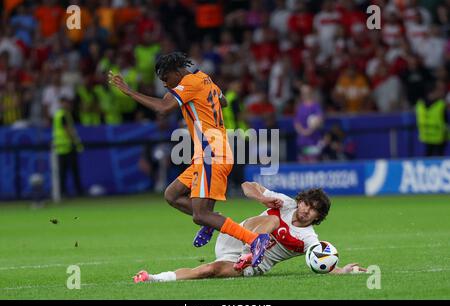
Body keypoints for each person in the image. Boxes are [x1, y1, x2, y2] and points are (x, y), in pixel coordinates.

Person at [108, 52, 271, 267]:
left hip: (212, 153)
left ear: (177, 72)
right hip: (208, 154)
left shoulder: (190, 83)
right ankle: (213, 220)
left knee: (200, 215)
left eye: (166, 79)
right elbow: (222, 102)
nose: (165, 84)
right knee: (172, 195)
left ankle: (255, 239)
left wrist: (129, 91)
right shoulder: (204, 78)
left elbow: (163, 109)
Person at [133, 182, 367, 283]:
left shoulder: (308, 238)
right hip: (237, 237)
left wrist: (344, 270)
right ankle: (221, 226)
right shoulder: (285, 203)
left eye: (314, 210)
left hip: (251, 265)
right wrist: (262, 197)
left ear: (319, 217)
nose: (307, 211)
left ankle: (153, 278)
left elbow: (321, 261)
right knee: (273, 222)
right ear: (301, 201)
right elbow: (247, 185)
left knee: (209, 270)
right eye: (307, 204)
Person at [52, 96, 84, 197]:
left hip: (61, 147)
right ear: (61, 103)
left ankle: (63, 192)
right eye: (65, 103)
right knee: (71, 171)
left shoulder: (60, 114)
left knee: (64, 172)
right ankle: (75, 192)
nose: (68, 105)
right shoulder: (63, 115)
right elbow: (67, 130)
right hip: (67, 146)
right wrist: (76, 141)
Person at [416, 81, 448, 157]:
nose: (443, 92)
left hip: (427, 137)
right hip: (437, 138)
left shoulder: (419, 104)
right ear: (435, 91)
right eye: (440, 90)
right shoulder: (442, 104)